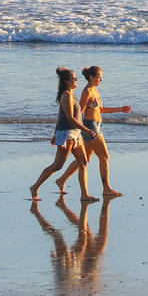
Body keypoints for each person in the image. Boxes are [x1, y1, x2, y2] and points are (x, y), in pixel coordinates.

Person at [55, 65, 132, 198]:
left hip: (97, 125)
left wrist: (120, 109)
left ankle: (61, 180)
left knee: (85, 160)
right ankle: (106, 188)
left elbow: (100, 109)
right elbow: (80, 111)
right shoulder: (87, 92)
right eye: (98, 77)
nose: (100, 80)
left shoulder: (94, 90)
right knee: (105, 157)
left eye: (101, 77)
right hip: (91, 127)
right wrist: (77, 129)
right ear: (91, 77)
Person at [30, 67, 99, 203]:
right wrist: (86, 129)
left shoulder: (72, 95)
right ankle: (35, 187)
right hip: (67, 134)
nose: (77, 80)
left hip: (76, 134)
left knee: (83, 162)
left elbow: (60, 116)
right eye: (75, 79)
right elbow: (69, 118)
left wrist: (55, 133)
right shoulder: (66, 96)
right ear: (68, 82)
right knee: (57, 165)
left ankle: (85, 195)